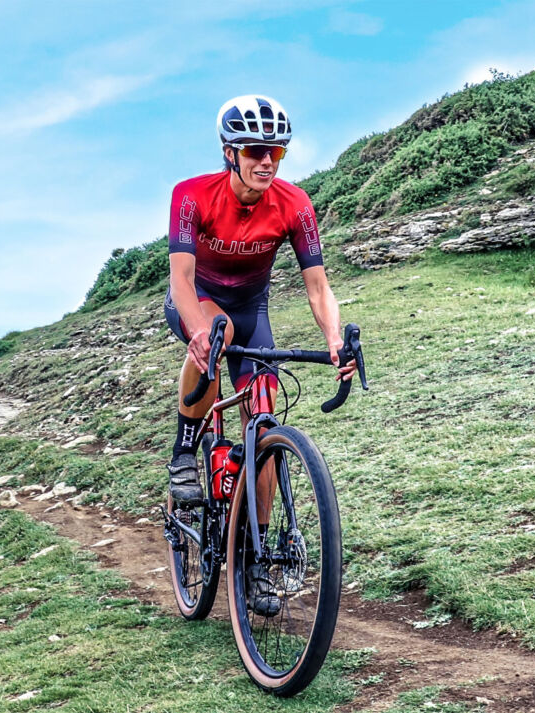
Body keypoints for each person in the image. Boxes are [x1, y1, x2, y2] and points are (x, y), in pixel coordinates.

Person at [163, 94, 354, 614]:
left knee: (263, 418)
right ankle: (185, 450)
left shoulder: (295, 204)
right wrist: (198, 331)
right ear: (230, 153)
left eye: (277, 151)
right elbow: (180, 279)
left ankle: (253, 559)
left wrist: (334, 339)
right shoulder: (191, 196)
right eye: (254, 151)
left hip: (254, 309)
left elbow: (319, 287)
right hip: (197, 299)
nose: (267, 161)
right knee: (217, 331)